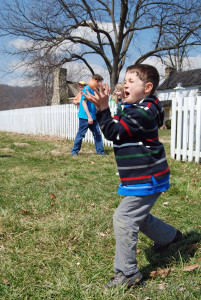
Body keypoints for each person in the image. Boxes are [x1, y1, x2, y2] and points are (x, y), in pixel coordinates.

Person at [83, 64, 182, 289]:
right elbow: (119, 122)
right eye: (124, 80)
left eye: (131, 81)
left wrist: (103, 109)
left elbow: (115, 132)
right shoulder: (137, 107)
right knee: (140, 216)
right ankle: (170, 237)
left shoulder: (146, 111)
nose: (125, 84)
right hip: (141, 177)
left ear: (147, 87)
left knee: (124, 218)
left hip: (147, 177)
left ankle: (127, 272)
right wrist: (109, 106)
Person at [71, 74, 105, 156]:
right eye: (100, 82)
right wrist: (89, 116)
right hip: (85, 117)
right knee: (81, 134)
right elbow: (84, 103)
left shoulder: (94, 89)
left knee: (97, 134)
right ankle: (74, 152)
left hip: (93, 116)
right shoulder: (87, 88)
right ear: (96, 81)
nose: (100, 84)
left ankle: (100, 152)